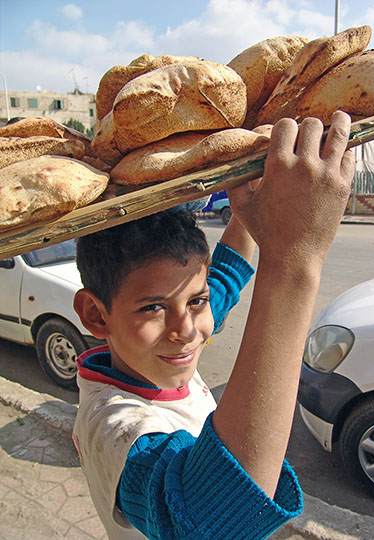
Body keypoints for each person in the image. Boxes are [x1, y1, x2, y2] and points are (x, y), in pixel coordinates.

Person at [72, 111, 355, 540]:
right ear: (95, 315)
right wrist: (295, 259)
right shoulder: (113, 425)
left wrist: (247, 203)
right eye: (152, 308)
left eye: (196, 301)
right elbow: (212, 519)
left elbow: (222, 277)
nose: (186, 330)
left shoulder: (156, 347)